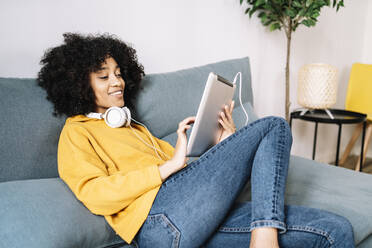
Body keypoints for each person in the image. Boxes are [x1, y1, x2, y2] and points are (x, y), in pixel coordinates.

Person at [37, 32, 355, 248]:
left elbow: (199, 185)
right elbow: (95, 194)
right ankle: (265, 237)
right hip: (158, 224)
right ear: (78, 85)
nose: (117, 81)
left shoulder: (135, 128)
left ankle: (263, 228)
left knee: (335, 229)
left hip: (193, 219)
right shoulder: (76, 132)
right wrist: (169, 166)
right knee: (273, 126)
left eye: (118, 73)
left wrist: (225, 144)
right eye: (104, 76)